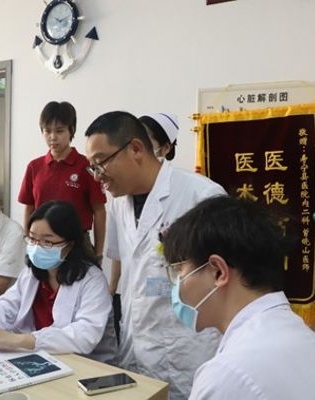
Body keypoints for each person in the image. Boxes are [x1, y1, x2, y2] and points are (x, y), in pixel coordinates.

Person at [162, 196, 315, 400]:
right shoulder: (310, 341)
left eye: (179, 270)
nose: (177, 283)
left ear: (218, 272)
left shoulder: (227, 375)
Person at [85, 111, 226, 399]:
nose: (98, 175)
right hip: (135, 341)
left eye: (101, 162)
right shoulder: (118, 204)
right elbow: (125, 266)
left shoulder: (201, 196)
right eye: (93, 167)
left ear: (136, 149)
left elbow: (226, 282)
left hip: (186, 349)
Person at [0, 200, 115, 364]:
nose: (37, 247)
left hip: (86, 363)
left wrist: (23, 340)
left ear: (70, 244)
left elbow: (84, 336)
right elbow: (5, 309)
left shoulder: (92, 280)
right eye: (32, 239)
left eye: (47, 241)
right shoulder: (32, 273)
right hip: (41, 357)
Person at [18, 101, 106, 261]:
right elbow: (29, 207)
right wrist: (29, 242)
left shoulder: (86, 166)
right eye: (47, 131)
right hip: (42, 242)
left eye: (59, 131)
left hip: (77, 242)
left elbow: (99, 210)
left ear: (71, 130)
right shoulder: (34, 167)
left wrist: (98, 253)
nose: (53, 137)